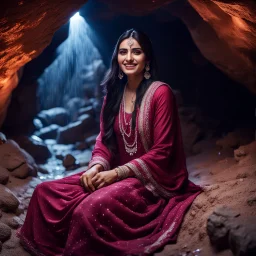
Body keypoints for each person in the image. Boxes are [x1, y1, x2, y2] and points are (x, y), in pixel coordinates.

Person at [16, 29, 201, 256]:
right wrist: (96, 167)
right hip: (112, 173)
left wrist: (115, 174)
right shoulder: (113, 96)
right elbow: (104, 141)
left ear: (148, 58)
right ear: (116, 58)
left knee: (89, 209)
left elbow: (163, 151)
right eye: (123, 52)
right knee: (44, 192)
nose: (129, 58)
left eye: (137, 52)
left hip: (149, 180)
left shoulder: (161, 93)